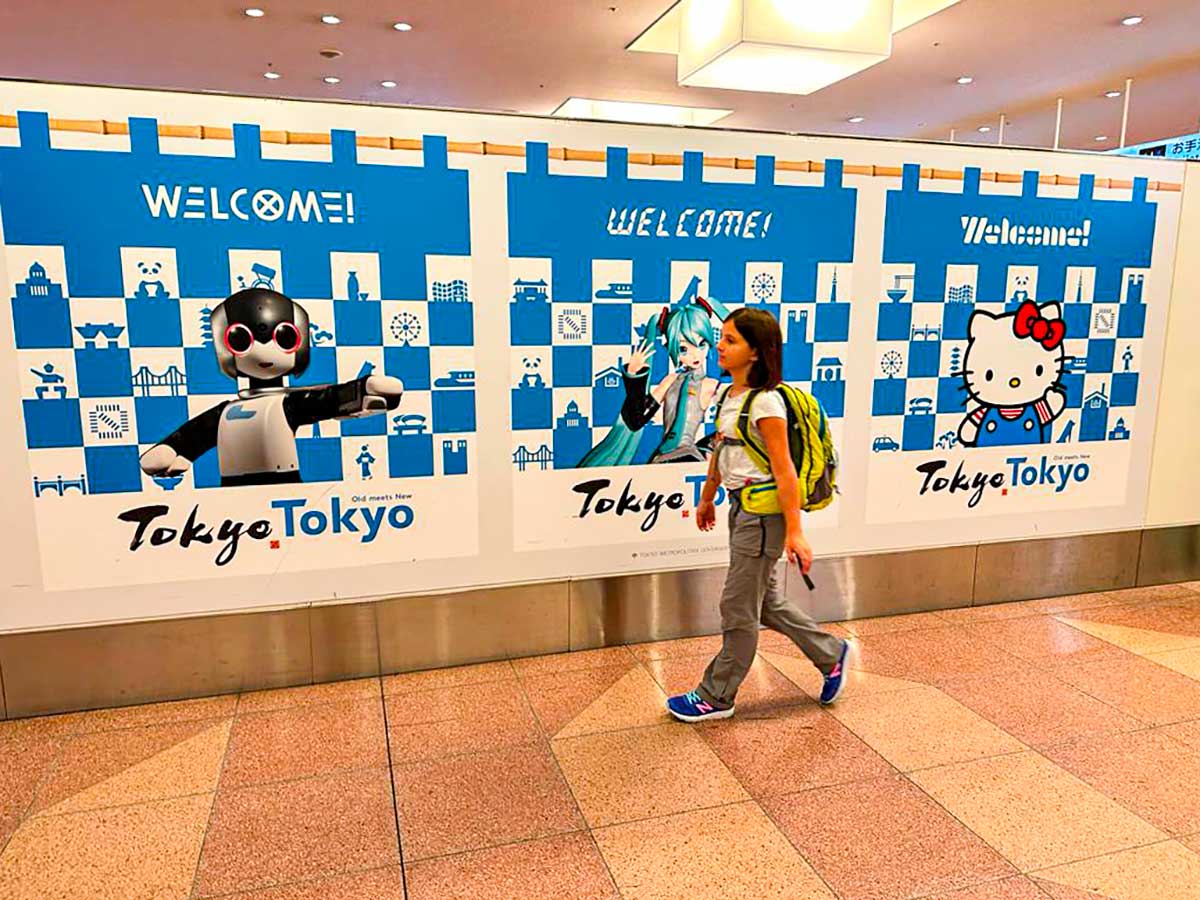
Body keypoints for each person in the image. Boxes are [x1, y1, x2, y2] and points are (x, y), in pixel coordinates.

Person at [666, 307, 853, 722]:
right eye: (723, 337)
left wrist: (796, 531)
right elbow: (722, 449)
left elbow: (785, 471)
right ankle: (831, 654)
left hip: (764, 517)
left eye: (731, 340)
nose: (720, 346)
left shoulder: (766, 403)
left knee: (737, 606)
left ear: (756, 352)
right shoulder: (729, 395)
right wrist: (708, 495)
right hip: (741, 508)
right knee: (763, 603)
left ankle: (716, 695)